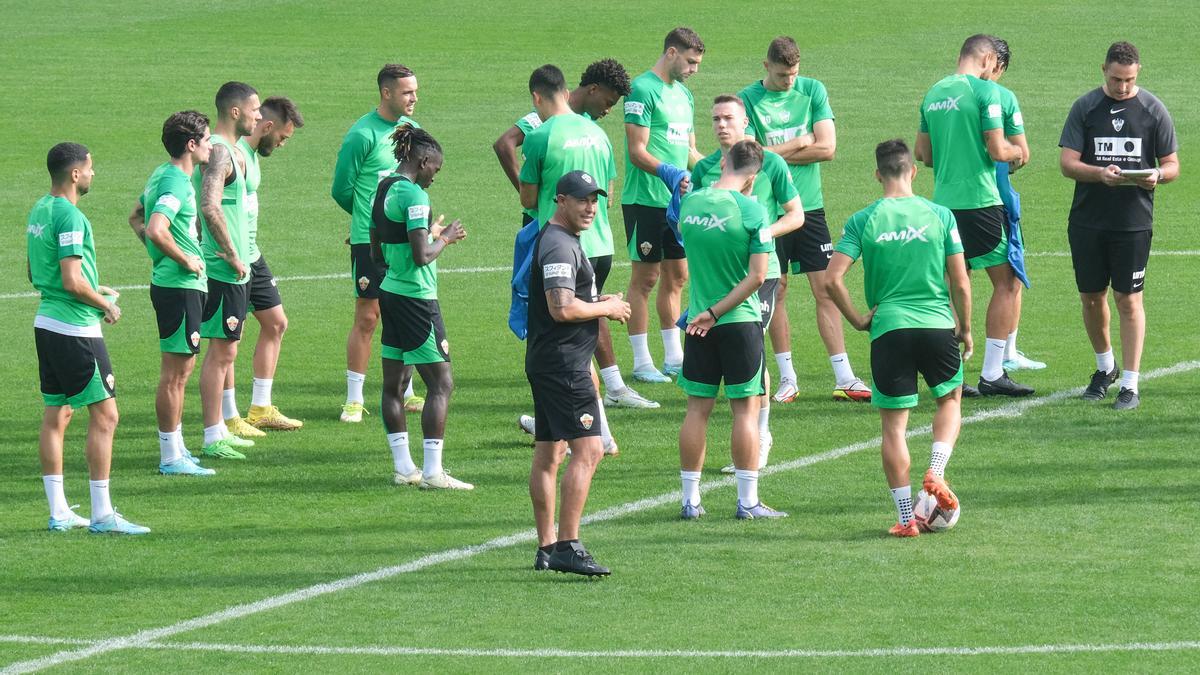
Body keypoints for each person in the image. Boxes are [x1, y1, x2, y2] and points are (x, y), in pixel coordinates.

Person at [825, 139, 972, 537]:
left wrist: (857, 319)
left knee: (893, 428)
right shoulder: (939, 215)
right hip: (936, 323)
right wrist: (966, 327)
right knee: (949, 398)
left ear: (877, 175)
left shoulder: (863, 220)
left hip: (888, 328)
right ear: (914, 171)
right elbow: (959, 280)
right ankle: (937, 470)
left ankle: (906, 518)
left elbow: (832, 279)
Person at [498, 60, 652, 412]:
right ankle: (602, 398)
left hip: (560, 247)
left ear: (538, 98)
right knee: (586, 321)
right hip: (600, 244)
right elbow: (608, 194)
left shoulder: (541, 135)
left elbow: (528, 198)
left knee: (561, 334)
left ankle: (575, 421)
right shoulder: (598, 134)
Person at [740, 36, 870, 403]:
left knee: (825, 286)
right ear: (766, 67)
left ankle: (844, 376)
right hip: (770, 209)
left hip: (809, 208)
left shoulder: (813, 90)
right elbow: (750, 158)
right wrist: (798, 143)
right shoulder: (747, 98)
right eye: (783, 75)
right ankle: (787, 377)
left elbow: (827, 148)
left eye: (794, 74)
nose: (790, 81)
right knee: (776, 289)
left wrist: (772, 152)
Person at [29, 142, 149, 534]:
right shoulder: (71, 217)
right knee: (106, 415)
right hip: (75, 329)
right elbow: (72, 279)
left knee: (57, 413)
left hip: (46, 324)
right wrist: (104, 304)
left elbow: (37, 273)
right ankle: (102, 514)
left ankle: (59, 511)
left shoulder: (40, 210)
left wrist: (94, 286)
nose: (94, 174)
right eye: (90, 168)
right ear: (75, 174)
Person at [1059, 41, 1179, 410]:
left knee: (1129, 300)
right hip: (1088, 222)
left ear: (1138, 72)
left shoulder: (1153, 110)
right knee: (1091, 298)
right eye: (1115, 79)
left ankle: (1131, 384)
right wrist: (1099, 174)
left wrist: (1157, 175)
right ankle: (1104, 367)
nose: (1122, 87)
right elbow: (1067, 163)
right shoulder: (1085, 107)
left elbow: (1173, 165)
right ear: (1103, 70)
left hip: (1133, 224)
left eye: (1128, 80)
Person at [689, 95, 804, 473]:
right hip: (712, 280)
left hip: (760, 274)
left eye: (728, 119)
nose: (721, 125)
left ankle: (762, 434)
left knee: (753, 354)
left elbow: (796, 214)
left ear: (745, 124)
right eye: (715, 119)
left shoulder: (770, 163)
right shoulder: (707, 167)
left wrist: (759, 235)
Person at [915, 34, 1031, 397]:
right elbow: (1000, 149)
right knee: (1008, 283)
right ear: (986, 58)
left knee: (950, 287)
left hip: (944, 205)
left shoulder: (933, 93)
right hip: (981, 202)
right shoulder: (987, 93)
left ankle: (951, 377)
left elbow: (924, 155)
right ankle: (993, 373)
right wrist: (1019, 154)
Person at [676, 140, 786, 521]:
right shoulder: (752, 211)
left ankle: (690, 501)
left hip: (696, 325)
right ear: (753, 176)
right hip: (737, 323)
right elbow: (758, 276)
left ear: (723, 162)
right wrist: (715, 311)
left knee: (696, 410)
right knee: (745, 411)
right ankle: (748, 501)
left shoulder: (691, 204)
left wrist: (703, 312)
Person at [527, 171, 630, 576]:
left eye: (595, 200)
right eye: (582, 200)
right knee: (589, 450)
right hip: (564, 365)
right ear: (560, 200)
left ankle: (547, 547)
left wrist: (599, 299)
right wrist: (605, 309)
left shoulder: (564, 241)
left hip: (549, 359)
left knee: (550, 452)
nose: (590, 208)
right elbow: (561, 308)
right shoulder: (557, 245)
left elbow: (571, 301)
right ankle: (568, 544)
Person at [373, 124, 473, 489]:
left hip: (390, 292)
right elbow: (421, 256)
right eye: (436, 169)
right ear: (424, 159)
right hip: (417, 299)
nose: (434, 177)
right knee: (441, 383)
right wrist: (444, 238)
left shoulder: (383, 187)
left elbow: (376, 246)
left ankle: (404, 469)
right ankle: (432, 472)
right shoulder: (414, 196)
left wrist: (426, 236)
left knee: (394, 384)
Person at [332, 64, 424, 423]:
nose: (414, 97)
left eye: (415, 91)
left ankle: (408, 390)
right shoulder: (362, 134)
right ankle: (354, 399)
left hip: (405, 240)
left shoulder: (414, 131)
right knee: (368, 317)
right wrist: (365, 221)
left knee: (405, 310)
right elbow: (342, 188)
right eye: (407, 92)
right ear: (386, 93)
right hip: (369, 241)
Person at [128, 111, 216, 476]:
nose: (211, 147)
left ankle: (177, 448)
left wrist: (159, 254)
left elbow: (135, 216)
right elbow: (154, 227)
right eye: (207, 140)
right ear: (191, 145)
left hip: (172, 284)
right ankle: (169, 457)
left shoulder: (162, 175)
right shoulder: (177, 184)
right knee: (175, 374)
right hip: (179, 287)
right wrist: (186, 259)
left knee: (181, 370)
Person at [622, 27, 705, 383]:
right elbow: (637, 150)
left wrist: (711, 172)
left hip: (679, 201)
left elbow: (688, 151)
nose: (694, 70)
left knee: (679, 276)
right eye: (690, 62)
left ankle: (674, 357)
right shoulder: (642, 89)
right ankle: (642, 362)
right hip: (646, 200)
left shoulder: (684, 96)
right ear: (671, 53)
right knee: (646, 278)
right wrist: (668, 173)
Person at [223, 96, 306, 433]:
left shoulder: (253, 155)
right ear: (267, 127)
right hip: (233, 258)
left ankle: (260, 408)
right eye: (283, 138)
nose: (282, 145)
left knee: (275, 322)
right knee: (228, 339)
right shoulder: (236, 155)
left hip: (252, 253)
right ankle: (229, 417)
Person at [194, 81, 261, 460]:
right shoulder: (220, 153)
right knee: (221, 352)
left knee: (228, 352)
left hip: (234, 267)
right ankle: (210, 435)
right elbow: (209, 205)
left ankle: (218, 427)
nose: (258, 116)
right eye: (254, 109)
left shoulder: (230, 150)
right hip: (224, 270)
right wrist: (231, 253)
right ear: (234, 112)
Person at [494, 58, 631, 227]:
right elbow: (504, 143)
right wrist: (533, 196)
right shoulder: (545, 116)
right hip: (542, 221)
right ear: (593, 89)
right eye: (608, 103)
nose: (608, 111)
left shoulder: (589, 122)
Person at [981, 38, 1045, 372]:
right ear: (999, 65)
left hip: (950, 202)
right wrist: (1005, 158)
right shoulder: (1003, 98)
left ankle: (951, 363)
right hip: (996, 201)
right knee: (1010, 280)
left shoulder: (945, 94)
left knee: (951, 282)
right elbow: (1022, 152)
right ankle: (1004, 355)